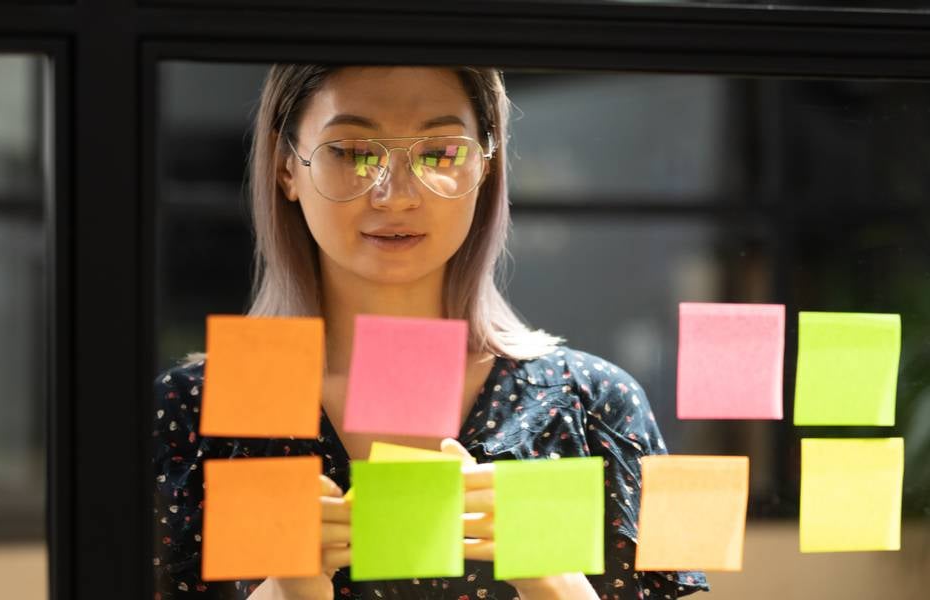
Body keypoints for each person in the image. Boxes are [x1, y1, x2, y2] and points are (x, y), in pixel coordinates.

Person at [152, 64, 710, 600]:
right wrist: (286, 592)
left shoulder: (593, 405)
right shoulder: (189, 412)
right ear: (285, 168)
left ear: (487, 165)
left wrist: (551, 578)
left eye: (441, 152)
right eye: (352, 153)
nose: (396, 194)